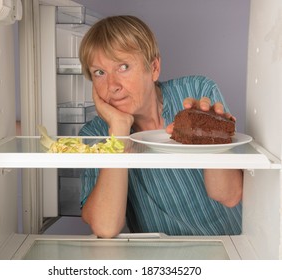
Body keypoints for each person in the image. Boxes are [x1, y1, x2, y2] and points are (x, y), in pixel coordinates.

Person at [78, 15, 243, 238]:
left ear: (154, 68)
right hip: (161, 260)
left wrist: (208, 132)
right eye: (99, 72)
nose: (112, 86)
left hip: (232, 246)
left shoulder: (196, 91)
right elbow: (105, 227)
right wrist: (119, 132)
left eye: (123, 66)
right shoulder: (94, 134)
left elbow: (229, 195)